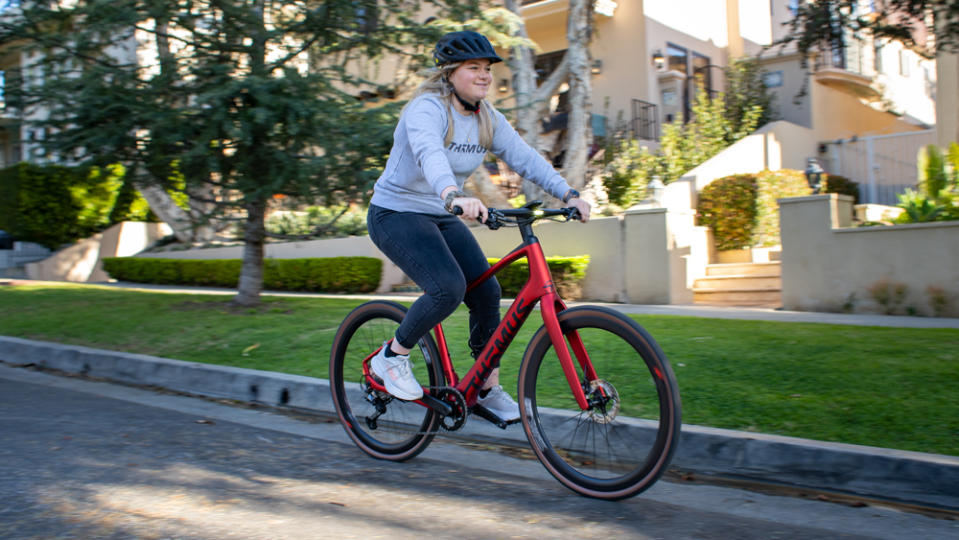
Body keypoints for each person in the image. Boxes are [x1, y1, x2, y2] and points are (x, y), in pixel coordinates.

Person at [367, 30, 591, 422]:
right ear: (451, 73)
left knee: (486, 290)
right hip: (396, 213)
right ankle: (391, 358)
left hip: (440, 212)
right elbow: (428, 154)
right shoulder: (427, 110)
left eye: (488, 68)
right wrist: (453, 194)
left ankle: (484, 387)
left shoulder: (488, 117)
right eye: (474, 67)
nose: (485, 75)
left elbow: (526, 158)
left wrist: (568, 193)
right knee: (446, 288)